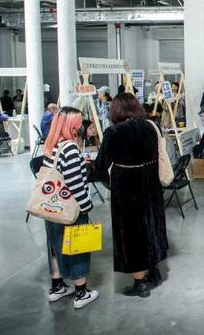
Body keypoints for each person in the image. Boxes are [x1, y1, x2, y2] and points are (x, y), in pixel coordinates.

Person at [95, 93, 168, 297]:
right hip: (150, 184)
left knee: (132, 233)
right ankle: (153, 270)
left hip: (127, 187)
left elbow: (101, 164)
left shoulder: (113, 132)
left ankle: (140, 283)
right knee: (151, 226)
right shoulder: (150, 127)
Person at [41, 107, 98, 309]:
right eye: (79, 122)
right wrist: (86, 206)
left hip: (51, 206)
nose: (81, 126)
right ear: (72, 125)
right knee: (77, 247)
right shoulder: (70, 148)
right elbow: (75, 185)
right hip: (70, 209)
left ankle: (57, 287)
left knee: (55, 247)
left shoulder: (52, 144)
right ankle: (81, 292)